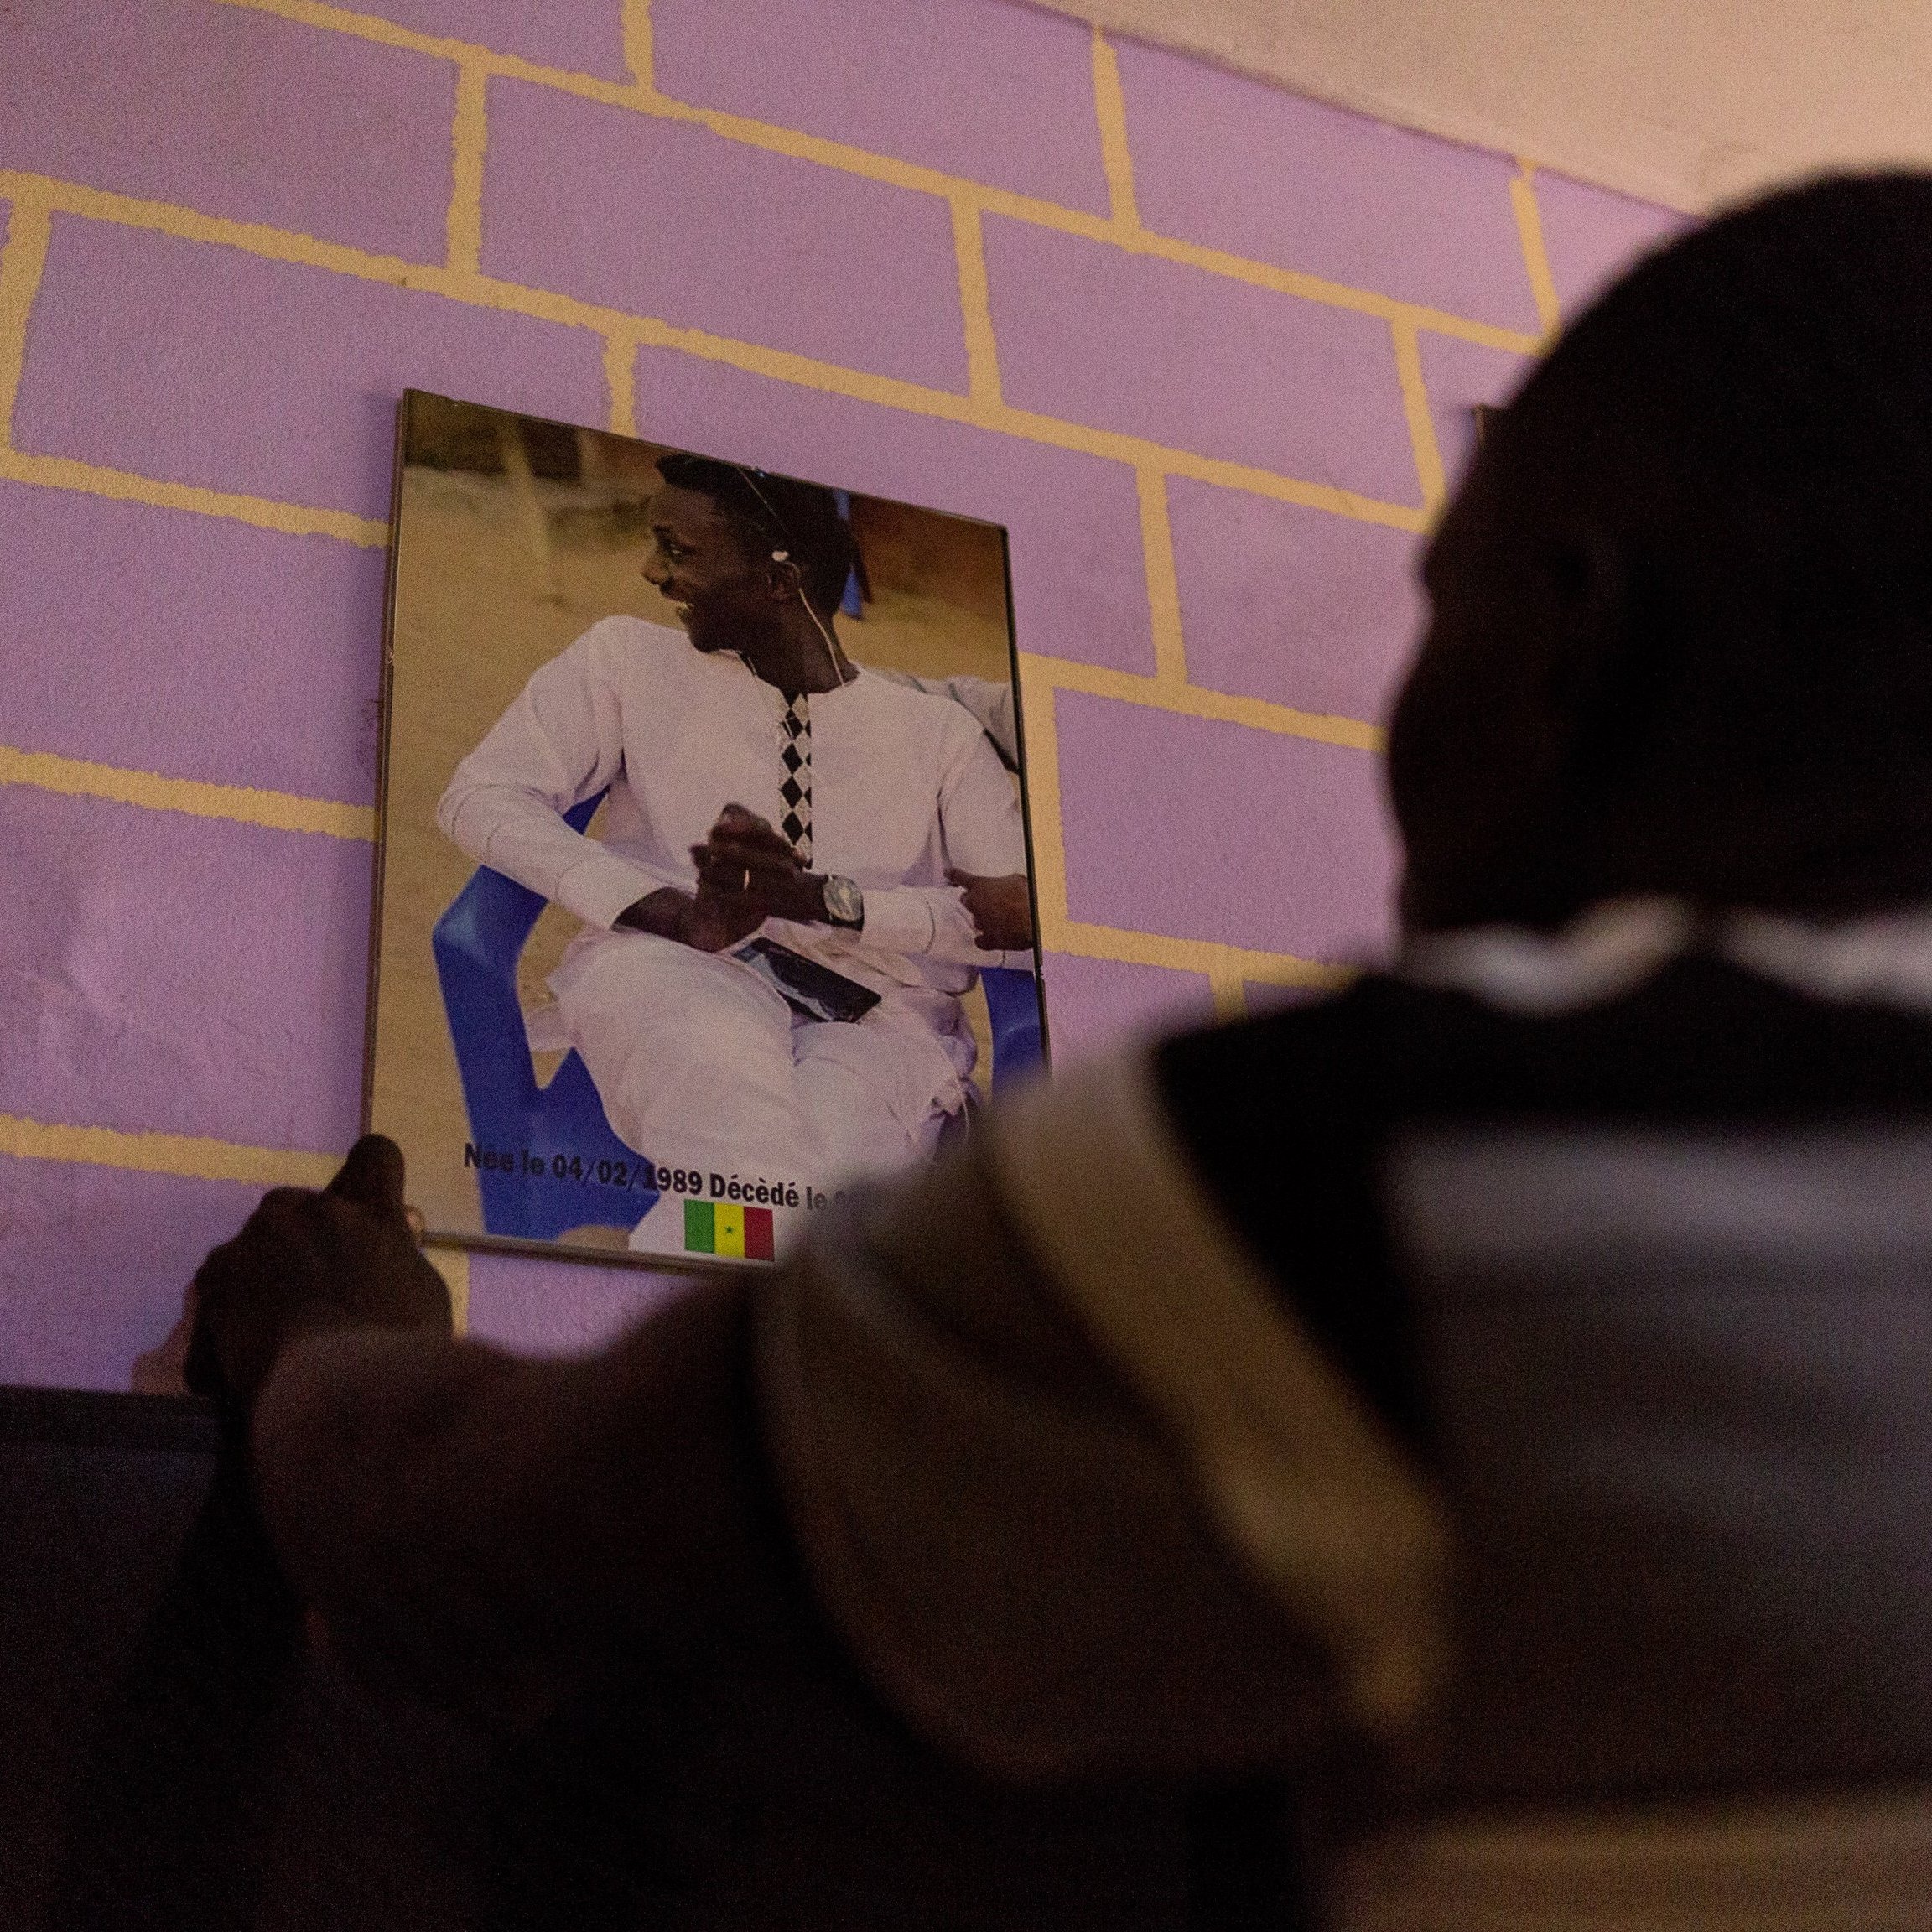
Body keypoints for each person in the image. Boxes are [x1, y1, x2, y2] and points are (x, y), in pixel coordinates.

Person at [179, 173, 1932, 1926]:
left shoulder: (1371, 1165)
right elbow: (496, 803)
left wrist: (323, 1335)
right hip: (684, 995)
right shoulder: (628, 668)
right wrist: (650, 905)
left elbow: (498, 1549)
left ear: (1569, 635)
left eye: (1440, 611)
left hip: (849, 1116)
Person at [437, 454, 1033, 1255]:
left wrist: (824, 901)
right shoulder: (626, 662)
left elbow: (1008, 924)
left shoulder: (941, 738)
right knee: (755, 1171)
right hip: (675, 968)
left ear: (779, 579)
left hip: (880, 1021)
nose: (651, 571)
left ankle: (657, 1349)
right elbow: (480, 796)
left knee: (784, 1210)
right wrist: (670, 912)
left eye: (679, 551)